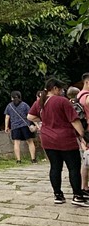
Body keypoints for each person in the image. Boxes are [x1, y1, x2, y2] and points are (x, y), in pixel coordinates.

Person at [27, 78, 87, 207]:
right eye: (61, 89)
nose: (62, 91)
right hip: (66, 139)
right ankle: (77, 196)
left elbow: (30, 117)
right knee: (73, 168)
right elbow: (74, 120)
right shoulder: (62, 101)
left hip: (48, 139)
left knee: (55, 167)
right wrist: (83, 135)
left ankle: (58, 195)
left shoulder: (40, 102)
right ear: (55, 88)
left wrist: (44, 119)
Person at [4, 91, 37, 164]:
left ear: (12, 97)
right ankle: (33, 159)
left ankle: (18, 160)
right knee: (30, 142)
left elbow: (7, 117)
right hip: (25, 125)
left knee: (16, 143)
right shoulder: (24, 105)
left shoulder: (9, 106)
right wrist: (36, 125)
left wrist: (6, 127)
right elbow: (30, 115)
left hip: (15, 126)